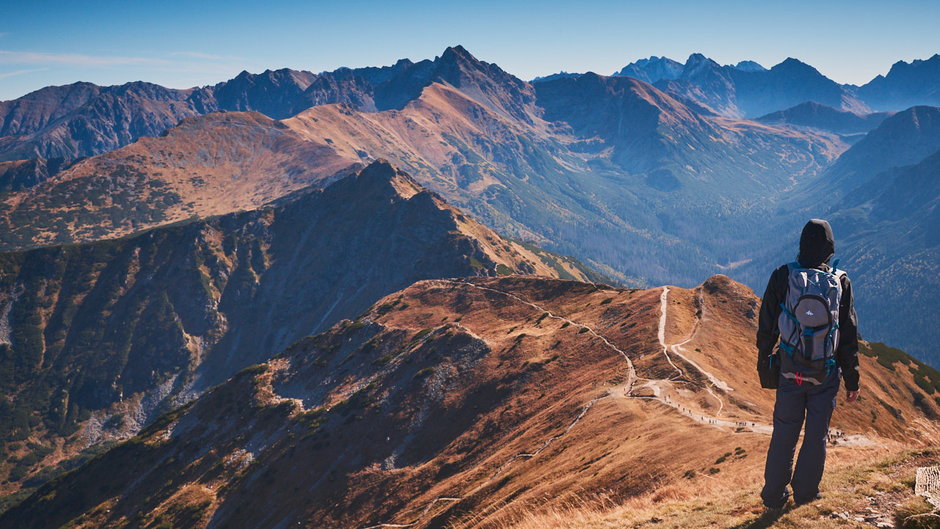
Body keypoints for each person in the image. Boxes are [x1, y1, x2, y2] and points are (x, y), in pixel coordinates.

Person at [755, 219, 860, 509]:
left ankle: (774, 496)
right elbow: (848, 336)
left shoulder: (783, 276)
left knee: (785, 432)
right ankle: (805, 494)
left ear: (801, 244)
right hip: (825, 375)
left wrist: (765, 361)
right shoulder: (840, 281)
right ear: (830, 248)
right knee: (816, 435)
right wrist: (853, 380)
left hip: (790, 369)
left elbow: (767, 324)